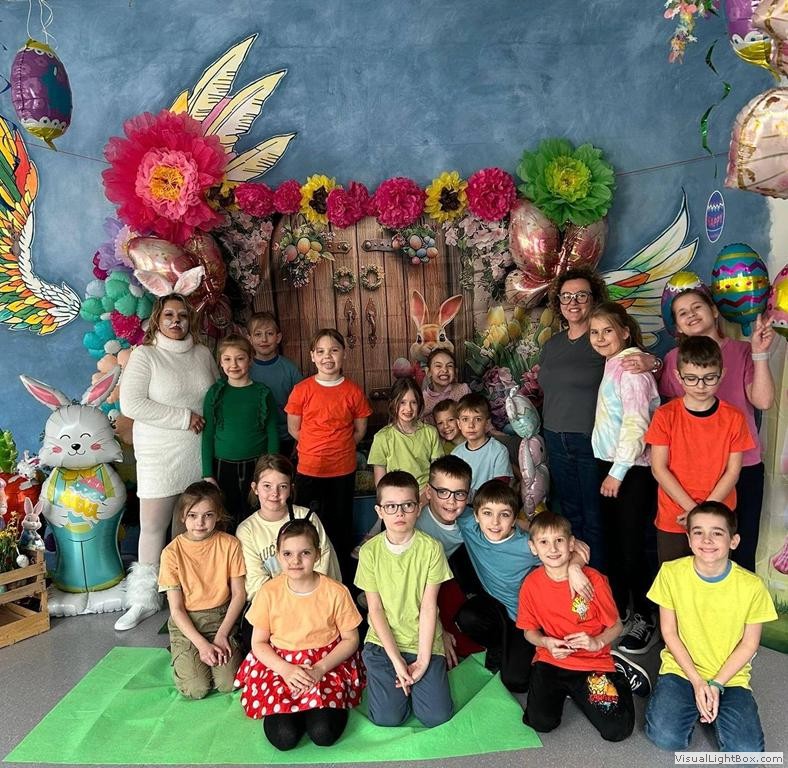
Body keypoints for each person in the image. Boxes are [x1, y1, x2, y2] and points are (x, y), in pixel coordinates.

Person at [117, 293, 219, 631]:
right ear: (157, 321)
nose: (176, 321)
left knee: (189, 527)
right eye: (169, 315)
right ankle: (144, 600)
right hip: (159, 456)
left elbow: (216, 395)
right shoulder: (145, 355)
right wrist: (183, 418)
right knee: (153, 526)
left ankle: (188, 594)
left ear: (190, 320)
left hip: (196, 454)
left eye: (182, 316)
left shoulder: (202, 354)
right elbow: (132, 404)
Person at [645, 502, 777, 754]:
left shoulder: (752, 586)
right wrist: (698, 683)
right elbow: (669, 633)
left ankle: (709, 703)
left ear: (733, 541)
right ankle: (699, 701)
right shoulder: (671, 574)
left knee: (747, 753)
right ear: (689, 539)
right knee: (666, 737)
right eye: (698, 532)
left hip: (730, 676)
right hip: (682, 670)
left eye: (717, 532)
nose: (707, 540)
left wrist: (716, 684)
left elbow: (749, 644)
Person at [658, 289, 775, 572]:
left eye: (696, 307)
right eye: (682, 313)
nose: (691, 315)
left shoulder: (742, 351)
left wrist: (759, 354)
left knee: (739, 551)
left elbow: (763, 401)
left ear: (713, 310)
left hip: (741, 466)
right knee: (688, 563)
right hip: (691, 475)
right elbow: (672, 418)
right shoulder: (673, 359)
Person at [517, 511, 648, 742]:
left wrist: (597, 642)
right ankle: (572, 691)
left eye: (559, 540)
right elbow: (529, 631)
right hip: (552, 660)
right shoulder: (531, 584)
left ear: (571, 544)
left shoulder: (594, 580)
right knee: (541, 722)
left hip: (592, 662)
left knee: (617, 730)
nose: (553, 548)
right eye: (544, 542)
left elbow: (616, 626)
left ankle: (619, 676)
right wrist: (545, 642)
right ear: (533, 548)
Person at [235, 519, 365, 750]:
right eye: (287, 554)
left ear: (317, 554)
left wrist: (319, 669)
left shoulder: (336, 592)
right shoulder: (268, 592)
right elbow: (259, 643)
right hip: (280, 664)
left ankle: (320, 708)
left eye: (305, 553)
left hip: (326, 663)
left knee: (323, 733)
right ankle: (298, 708)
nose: (295, 561)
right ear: (278, 556)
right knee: (284, 737)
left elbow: (351, 639)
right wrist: (286, 669)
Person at [455, 480, 592, 693]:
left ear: (514, 519)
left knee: (516, 681)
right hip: (495, 605)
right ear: (476, 516)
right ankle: (499, 646)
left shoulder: (526, 545)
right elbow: (443, 506)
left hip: (524, 616)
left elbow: (577, 549)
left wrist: (574, 567)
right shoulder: (468, 525)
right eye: (487, 513)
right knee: (466, 617)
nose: (495, 522)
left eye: (504, 515)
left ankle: (544, 659)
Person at [354, 470, 454, 728]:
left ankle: (415, 682)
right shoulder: (369, 552)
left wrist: (422, 660)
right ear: (379, 511)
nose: (399, 513)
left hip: (423, 641)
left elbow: (429, 607)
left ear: (418, 508)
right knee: (387, 718)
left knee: (436, 717)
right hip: (383, 643)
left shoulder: (431, 548)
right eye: (391, 506)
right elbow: (375, 610)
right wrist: (397, 661)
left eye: (407, 505)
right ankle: (395, 685)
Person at [588, 303, 660, 653]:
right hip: (611, 466)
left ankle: (645, 617)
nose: (600, 338)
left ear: (625, 332)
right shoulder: (614, 363)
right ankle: (621, 612)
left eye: (608, 331)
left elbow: (636, 424)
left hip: (629, 471)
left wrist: (617, 473)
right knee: (616, 546)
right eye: (595, 332)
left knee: (632, 549)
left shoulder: (632, 369)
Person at [645, 336, 754, 564]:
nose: (701, 386)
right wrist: (693, 510)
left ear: (722, 374)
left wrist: (701, 514)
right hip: (675, 517)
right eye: (692, 378)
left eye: (709, 378)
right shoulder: (665, 415)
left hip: (718, 517)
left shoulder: (734, 418)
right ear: (678, 377)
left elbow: (733, 472)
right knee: (674, 581)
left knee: (715, 579)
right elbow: (659, 469)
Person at [537, 266, 610, 570]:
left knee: (595, 516)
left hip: (590, 441)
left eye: (581, 295)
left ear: (594, 299)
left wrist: (652, 363)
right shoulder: (551, 345)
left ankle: (599, 582)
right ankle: (573, 578)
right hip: (555, 438)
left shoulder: (603, 340)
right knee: (567, 515)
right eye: (566, 296)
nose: (573, 302)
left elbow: (633, 365)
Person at [286, 328, 372, 580]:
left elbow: (359, 431)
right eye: (321, 351)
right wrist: (316, 446)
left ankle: (340, 578)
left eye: (334, 350)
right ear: (312, 356)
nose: (327, 356)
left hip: (342, 470)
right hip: (309, 469)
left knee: (340, 525)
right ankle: (307, 575)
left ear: (344, 354)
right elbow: (294, 428)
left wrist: (339, 446)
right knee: (307, 523)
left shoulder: (353, 391)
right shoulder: (302, 390)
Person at [158, 481, 246, 699]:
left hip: (221, 619)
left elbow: (239, 595)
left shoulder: (230, 544)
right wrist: (201, 645)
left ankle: (221, 649)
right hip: (188, 622)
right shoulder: (171, 553)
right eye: (193, 515)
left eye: (208, 515)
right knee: (196, 689)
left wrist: (222, 635)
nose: (200, 522)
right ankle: (183, 650)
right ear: (182, 516)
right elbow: (176, 609)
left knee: (228, 683)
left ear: (218, 515)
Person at [235, 454, 340, 604]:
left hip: (313, 600)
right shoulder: (246, 530)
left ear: (291, 489)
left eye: (282, 486)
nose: (275, 493)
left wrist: (304, 599)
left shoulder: (306, 517)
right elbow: (256, 583)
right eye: (267, 486)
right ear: (255, 488)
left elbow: (323, 565)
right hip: (273, 605)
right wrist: (287, 604)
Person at [202, 334, 279, 532]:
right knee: (225, 516)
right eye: (227, 359)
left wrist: (271, 467)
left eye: (240, 358)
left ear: (250, 359)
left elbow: (272, 432)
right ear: (220, 362)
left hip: (257, 465)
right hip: (223, 467)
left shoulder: (262, 393)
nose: (233, 365)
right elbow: (208, 434)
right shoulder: (215, 393)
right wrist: (207, 473)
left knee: (256, 513)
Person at [415, 455, 483, 661]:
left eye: (459, 494)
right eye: (443, 492)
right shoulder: (415, 523)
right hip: (420, 582)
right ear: (429, 492)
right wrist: (439, 631)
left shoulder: (471, 518)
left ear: (468, 495)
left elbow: (511, 524)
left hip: (450, 575)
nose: (451, 501)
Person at [368, 377, 442, 491]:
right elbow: (381, 484)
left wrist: (425, 497)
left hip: (426, 493)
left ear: (420, 404)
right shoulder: (382, 437)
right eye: (402, 402)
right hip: (396, 496)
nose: (408, 408)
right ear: (393, 403)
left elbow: (438, 474)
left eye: (413, 402)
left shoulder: (430, 433)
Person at [247, 311, 303, 460]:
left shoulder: (290, 370)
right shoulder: (245, 370)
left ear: (278, 337)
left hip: (286, 437)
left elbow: (303, 408)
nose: (264, 339)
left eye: (269, 333)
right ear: (250, 339)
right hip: (255, 438)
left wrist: (299, 439)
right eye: (258, 334)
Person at [451, 393, 512, 500]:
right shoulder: (455, 454)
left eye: (478, 419)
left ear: (487, 423)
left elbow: (501, 487)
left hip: (490, 502)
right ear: (459, 424)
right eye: (465, 419)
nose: (471, 425)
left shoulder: (499, 450)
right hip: (462, 504)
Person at [421, 349, 470, 424]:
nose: (444, 370)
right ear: (428, 372)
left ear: (455, 371)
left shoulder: (463, 390)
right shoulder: (422, 401)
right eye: (438, 366)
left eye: (449, 366)